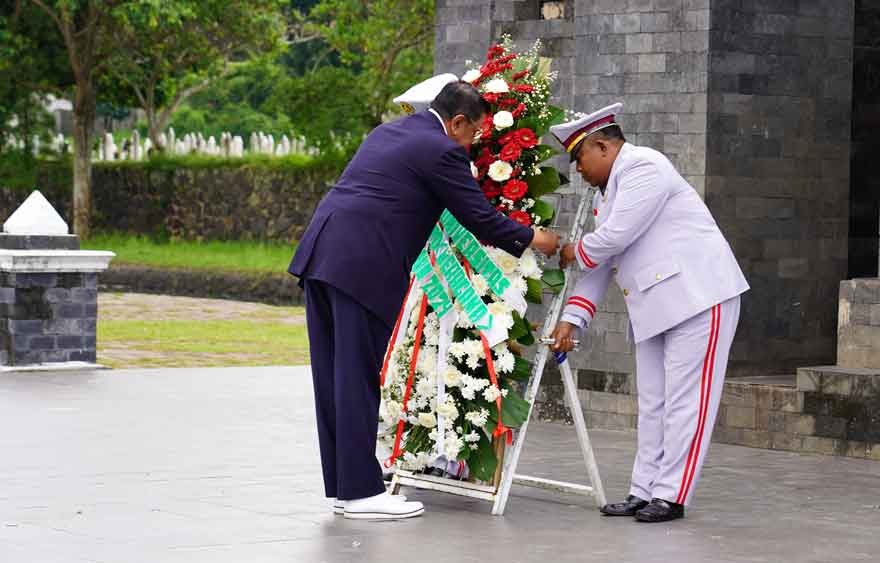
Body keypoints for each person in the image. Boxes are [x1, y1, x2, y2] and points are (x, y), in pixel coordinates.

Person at [288, 75, 560, 521]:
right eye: (474, 133)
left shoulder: (389, 131)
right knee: (356, 375)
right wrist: (536, 239)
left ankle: (344, 485)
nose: (473, 144)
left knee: (334, 375)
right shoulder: (443, 149)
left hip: (322, 254)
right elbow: (481, 220)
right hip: (361, 265)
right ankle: (360, 493)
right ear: (456, 123)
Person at [548, 103, 748, 523]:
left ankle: (671, 494)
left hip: (699, 296)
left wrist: (571, 250)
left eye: (579, 159)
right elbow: (602, 261)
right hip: (656, 306)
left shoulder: (644, 166)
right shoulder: (611, 196)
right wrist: (573, 319)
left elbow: (614, 237)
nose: (578, 171)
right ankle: (643, 490)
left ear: (602, 146)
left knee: (685, 403)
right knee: (654, 403)